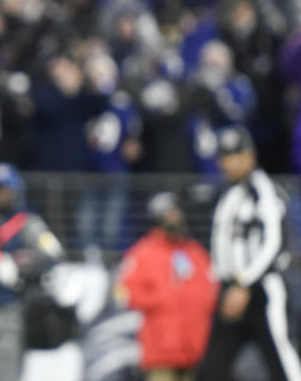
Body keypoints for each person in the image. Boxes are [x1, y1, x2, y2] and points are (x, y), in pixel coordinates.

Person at [196, 125, 301, 381]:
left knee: (283, 362)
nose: (229, 163)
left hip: (262, 290)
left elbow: (275, 243)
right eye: (225, 157)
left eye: (235, 156)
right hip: (231, 290)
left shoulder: (264, 191)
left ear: (250, 156)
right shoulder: (228, 194)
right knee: (211, 369)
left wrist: (245, 283)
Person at [0, 162, 64, 381]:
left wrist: (21, 265)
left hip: (12, 309)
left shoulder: (27, 223)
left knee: (1, 374)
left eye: (4, 189)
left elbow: (53, 253)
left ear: (16, 191)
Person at [115, 192, 217, 381]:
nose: (173, 217)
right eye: (168, 214)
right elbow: (122, 293)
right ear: (156, 218)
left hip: (194, 348)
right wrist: (160, 299)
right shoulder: (142, 253)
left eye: (175, 212)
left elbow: (212, 291)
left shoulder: (195, 252)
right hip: (160, 350)